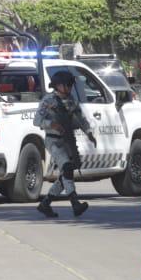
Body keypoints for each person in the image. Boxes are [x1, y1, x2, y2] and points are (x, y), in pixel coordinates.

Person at [33, 70, 92, 218]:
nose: (70, 88)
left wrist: (89, 132)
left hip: (68, 140)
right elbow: (37, 121)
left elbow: (80, 118)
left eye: (70, 85)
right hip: (54, 141)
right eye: (67, 85)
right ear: (58, 85)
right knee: (66, 167)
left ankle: (45, 204)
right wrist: (51, 124)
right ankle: (75, 203)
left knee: (67, 173)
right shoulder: (48, 101)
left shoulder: (71, 100)